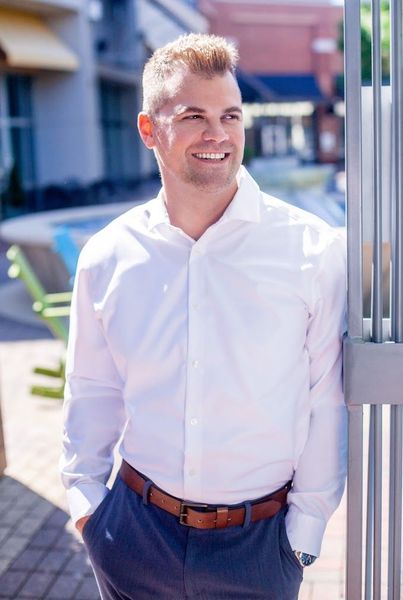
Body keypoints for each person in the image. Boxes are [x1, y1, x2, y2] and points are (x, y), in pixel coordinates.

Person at [60, 33, 347, 600]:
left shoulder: (312, 249)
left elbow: (325, 399)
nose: (218, 134)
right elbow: (91, 388)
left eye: (230, 115)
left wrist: (303, 532)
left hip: (260, 546)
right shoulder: (107, 256)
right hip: (134, 532)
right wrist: (87, 508)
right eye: (194, 115)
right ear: (149, 130)